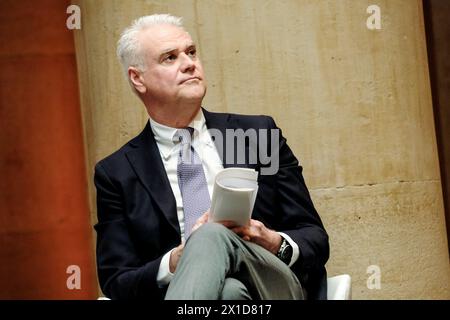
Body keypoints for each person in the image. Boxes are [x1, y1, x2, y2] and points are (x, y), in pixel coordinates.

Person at [94, 13, 329, 300]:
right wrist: (178, 259)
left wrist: (269, 240)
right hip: (205, 293)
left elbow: (315, 238)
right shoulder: (117, 173)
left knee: (208, 234)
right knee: (228, 293)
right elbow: (117, 280)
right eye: (170, 58)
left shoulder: (256, 135)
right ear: (137, 79)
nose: (189, 63)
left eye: (191, 52)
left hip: (272, 284)